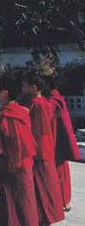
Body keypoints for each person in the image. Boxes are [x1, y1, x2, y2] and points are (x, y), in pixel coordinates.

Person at [0, 75, 39, 226]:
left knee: (18, 204)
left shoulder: (9, 114)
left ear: (5, 92)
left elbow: (14, 143)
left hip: (15, 166)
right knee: (15, 203)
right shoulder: (19, 110)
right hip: (17, 164)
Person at [22, 75, 65, 225]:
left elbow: (36, 129)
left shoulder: (36, 104)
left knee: (42, 184)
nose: (23, 89)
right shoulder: (46, 103)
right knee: (48, 181)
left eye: (25, 86)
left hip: (38, 148)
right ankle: (51, 213)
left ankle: (45, 216)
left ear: (34, 88)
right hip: (46, 146)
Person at [47, 81, 82, 212]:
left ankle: (63, 201)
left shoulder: (53, 101)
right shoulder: (56, 98)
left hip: (56, 143)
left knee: (59, 173)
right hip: (56, 142)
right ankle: (62, 200)